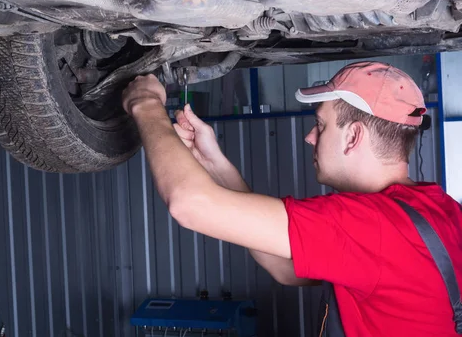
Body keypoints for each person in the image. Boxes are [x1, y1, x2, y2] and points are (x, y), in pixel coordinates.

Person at [121, 61, 462, 336]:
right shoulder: (443, 211)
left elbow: (189, 203)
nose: (310, 137)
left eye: (321, 125)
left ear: (354, 136)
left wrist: (145, 104)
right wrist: (215, 165)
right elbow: (289, 270)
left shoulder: (368, 226)